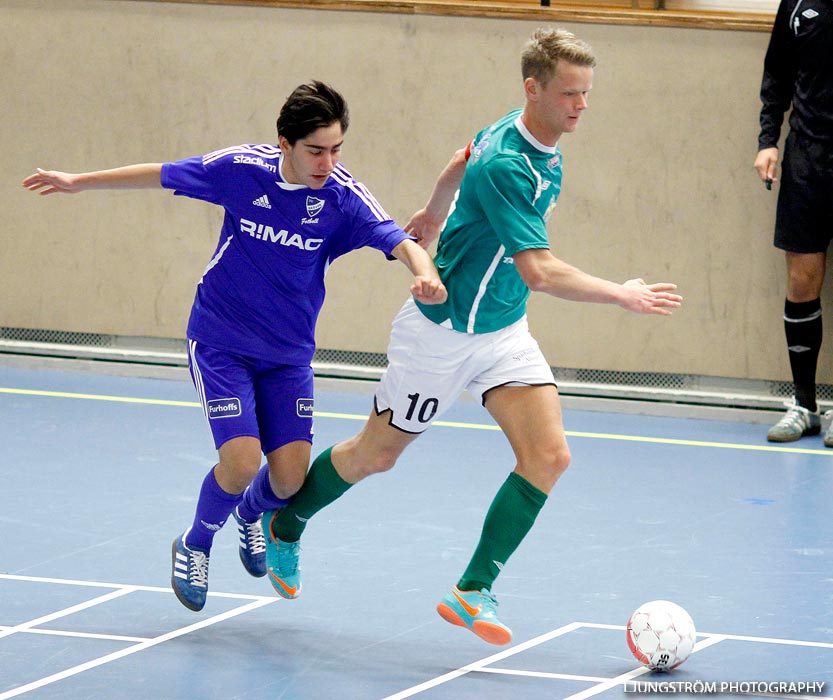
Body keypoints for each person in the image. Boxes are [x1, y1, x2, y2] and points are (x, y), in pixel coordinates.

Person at [255, 29, 682, 644]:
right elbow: (539, 270)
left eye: (586, 93)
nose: (581, 106)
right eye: (569, 94)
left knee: (549, 456)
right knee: (377, 454)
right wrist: (621, 293)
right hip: (441, 334)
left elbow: (461, 157)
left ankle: (473, 589)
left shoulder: (524, 132)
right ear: (532, 89)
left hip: (502, 329)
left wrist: (433, 211)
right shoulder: (510, 164)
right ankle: (287, 525)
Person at [22, 81, 447, 612]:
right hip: (221, 340)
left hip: (288, 354)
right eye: (316, 150)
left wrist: (426, 274)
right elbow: (160, 173)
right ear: (284, 143)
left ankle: (251, 514)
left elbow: (400, 240)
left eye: (337, 149)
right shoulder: (242, 170)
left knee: (290, 480)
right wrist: (77, 182)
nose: (327, 161)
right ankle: (196, 542)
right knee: (243, 459)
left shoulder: (342, 197)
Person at [753, 0, 833, 445]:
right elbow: (777, 73)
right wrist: (768, 141)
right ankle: (804, 404)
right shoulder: (799, 2)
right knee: (802, 281)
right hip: (807, 155)